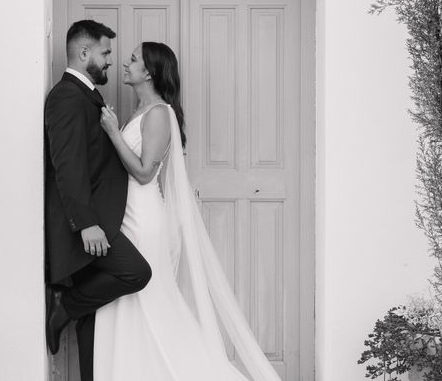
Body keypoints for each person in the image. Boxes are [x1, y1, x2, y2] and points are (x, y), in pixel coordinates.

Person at [94, 42, 282, 381]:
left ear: (148, 72)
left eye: (133, 59)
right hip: (125, 215)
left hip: (144, 218)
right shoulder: (140, 112)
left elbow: (144, 172)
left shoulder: (159, 114)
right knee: (127, 303)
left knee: (152, 301)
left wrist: (112, 132)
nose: (126, 63)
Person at [44, 20, 152, 381]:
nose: (110, 60)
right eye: (105, 52)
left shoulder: (84, 94)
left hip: (100, 220)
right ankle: (64, 306)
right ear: (84, 52)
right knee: (136, 272)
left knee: (92, 322)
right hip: (89, 226)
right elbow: (67, 164)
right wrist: (87, 222)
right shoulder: (66, 97)